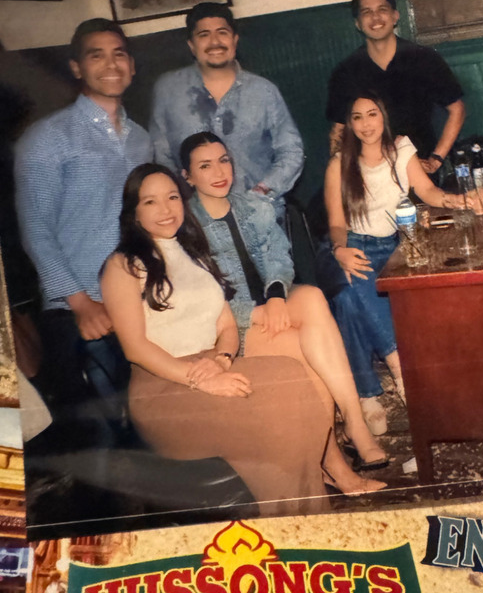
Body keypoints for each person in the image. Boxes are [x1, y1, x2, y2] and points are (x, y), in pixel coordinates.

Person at [100, 163, 377, 515]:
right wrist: (200, 379)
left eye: (172, 198)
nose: (166, 209)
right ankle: (290, 515)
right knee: (284, 408)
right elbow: (135, 349)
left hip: (209, 363)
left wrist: (221, 359)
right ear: (134, 213)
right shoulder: (122, 265)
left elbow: (227, 326)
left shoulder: (193, 253)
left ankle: (313, 492)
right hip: (164, 386)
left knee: (296, 372)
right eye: (150, 202)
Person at [180, 130, 389, 477]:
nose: (219, 172)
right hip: (232, 327)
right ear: (187, 176)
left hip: (272, 306)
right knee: (299, 342)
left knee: (313, 297)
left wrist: (276, 295)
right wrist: (255, 312)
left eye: (223, 160)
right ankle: (326, 454)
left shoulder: (253, 206)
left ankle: (354, 423)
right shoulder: (185, 227)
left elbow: (279, 257)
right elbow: (201, 302)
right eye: (205, 166)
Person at [15, 18, 153, 434]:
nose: (111, 64)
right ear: (77, 67)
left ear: (132, 65)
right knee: (102, 437)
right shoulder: (46, 138)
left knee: (147, 425)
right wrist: (81, 304)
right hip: (81, 309)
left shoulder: (142, 138)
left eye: (119, 54)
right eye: (97, 55)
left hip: (138, 300)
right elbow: (35, 229)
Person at [324, 94, 483, 434]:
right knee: (350, 293)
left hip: (398, 244)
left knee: (349, 301)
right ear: (349, 124)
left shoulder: (401, 150)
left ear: (383, 117)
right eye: (357, 117)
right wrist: (339, 250)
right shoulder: (339, 164)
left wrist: (462, 201)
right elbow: (336, 223)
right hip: (357, 245)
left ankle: (366, 393)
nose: (366, 124)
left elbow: (428, 192)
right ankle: (398, 371)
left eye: (372, 114)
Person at [149, 2, 303, 220]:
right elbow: (161, 154)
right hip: (195, 221)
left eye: (222, 32)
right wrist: (184, 202)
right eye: (204, 34)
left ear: (235, 40)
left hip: (259, 217)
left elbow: (291, 152)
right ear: (191, 45)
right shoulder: (168, 89)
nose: (215, 42)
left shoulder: (264, 91)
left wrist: (261, 193)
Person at [326, 0, 465, 174]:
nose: (375, 17)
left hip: (419, 166)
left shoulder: (423, 59)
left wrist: (436, 159)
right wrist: (345, 173)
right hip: (371, 169)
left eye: (382, 10)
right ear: (357, 23)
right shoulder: (346, 71)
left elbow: (457, 109)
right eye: (366, 12)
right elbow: (339, 130)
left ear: (395, 16)